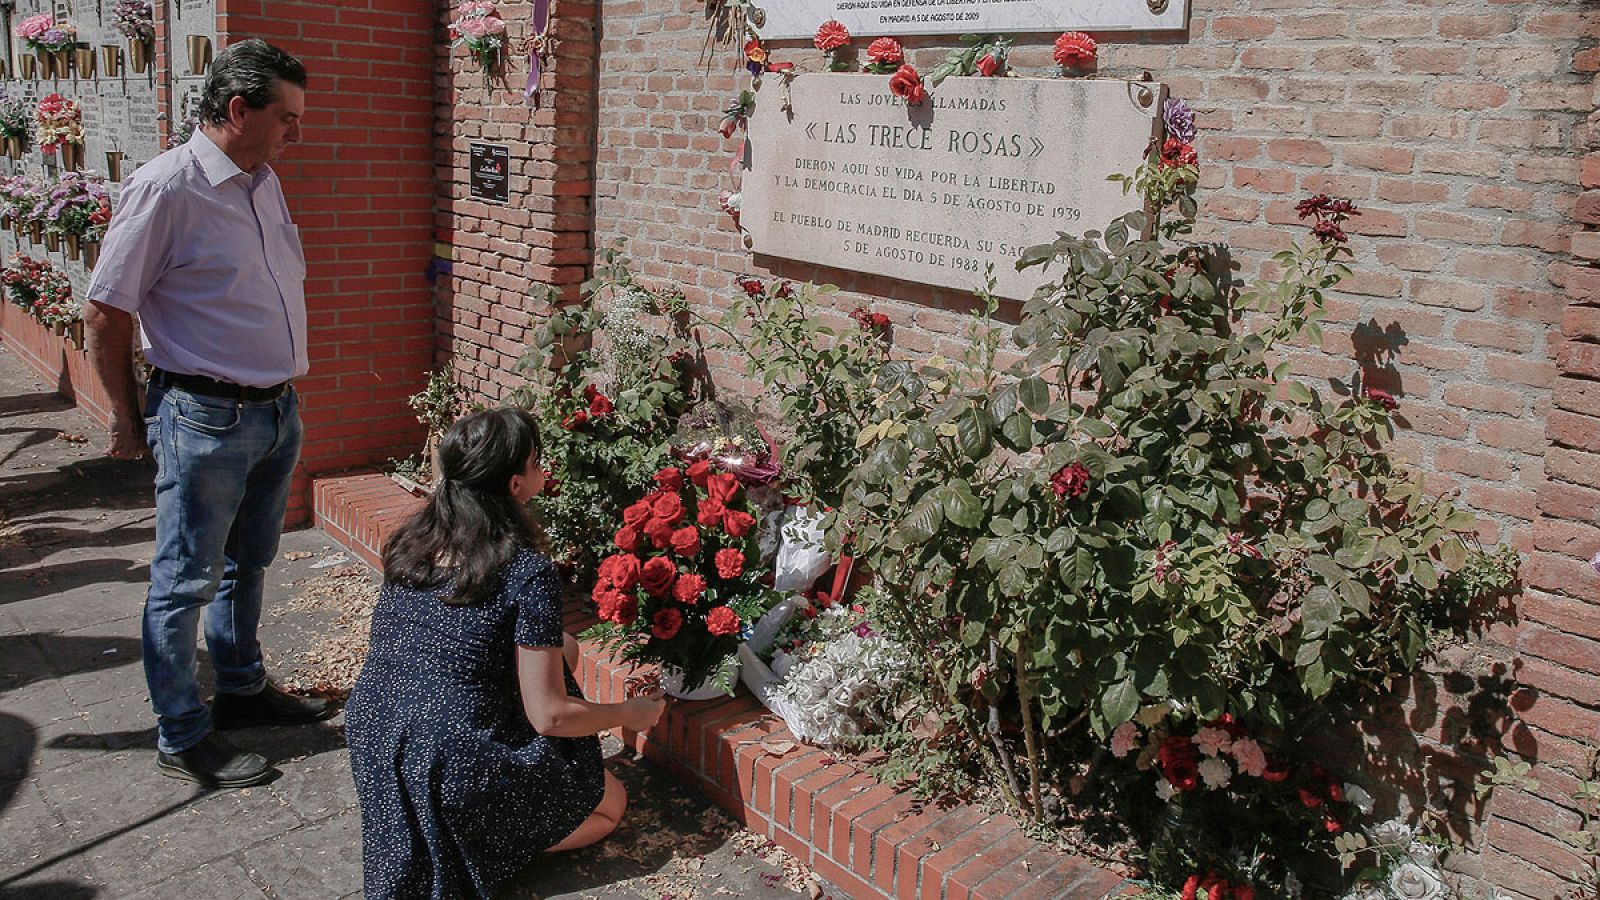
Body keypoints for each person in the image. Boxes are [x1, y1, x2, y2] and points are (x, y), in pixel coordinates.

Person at [83, 38, 328, 788]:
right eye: (285, 117)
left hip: (274, 410)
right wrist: (129, 421)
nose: (296, 132)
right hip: (204, 417)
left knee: (248, 563)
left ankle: (243, 691)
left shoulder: (262, 181)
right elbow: (104, 311)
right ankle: (182, 732)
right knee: (185, 577)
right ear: (236, 109)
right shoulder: (166, 188)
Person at [345, 408, 667, 899]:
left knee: (568, 651)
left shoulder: (410, 542)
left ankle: (460, 823)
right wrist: (630, 713)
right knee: (609, 807)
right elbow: (552, 717)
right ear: (516, 485)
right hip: (448, 759)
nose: (546, 470)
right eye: (538, 462)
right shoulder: (524, 570)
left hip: (378, 733)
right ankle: (476, 841)